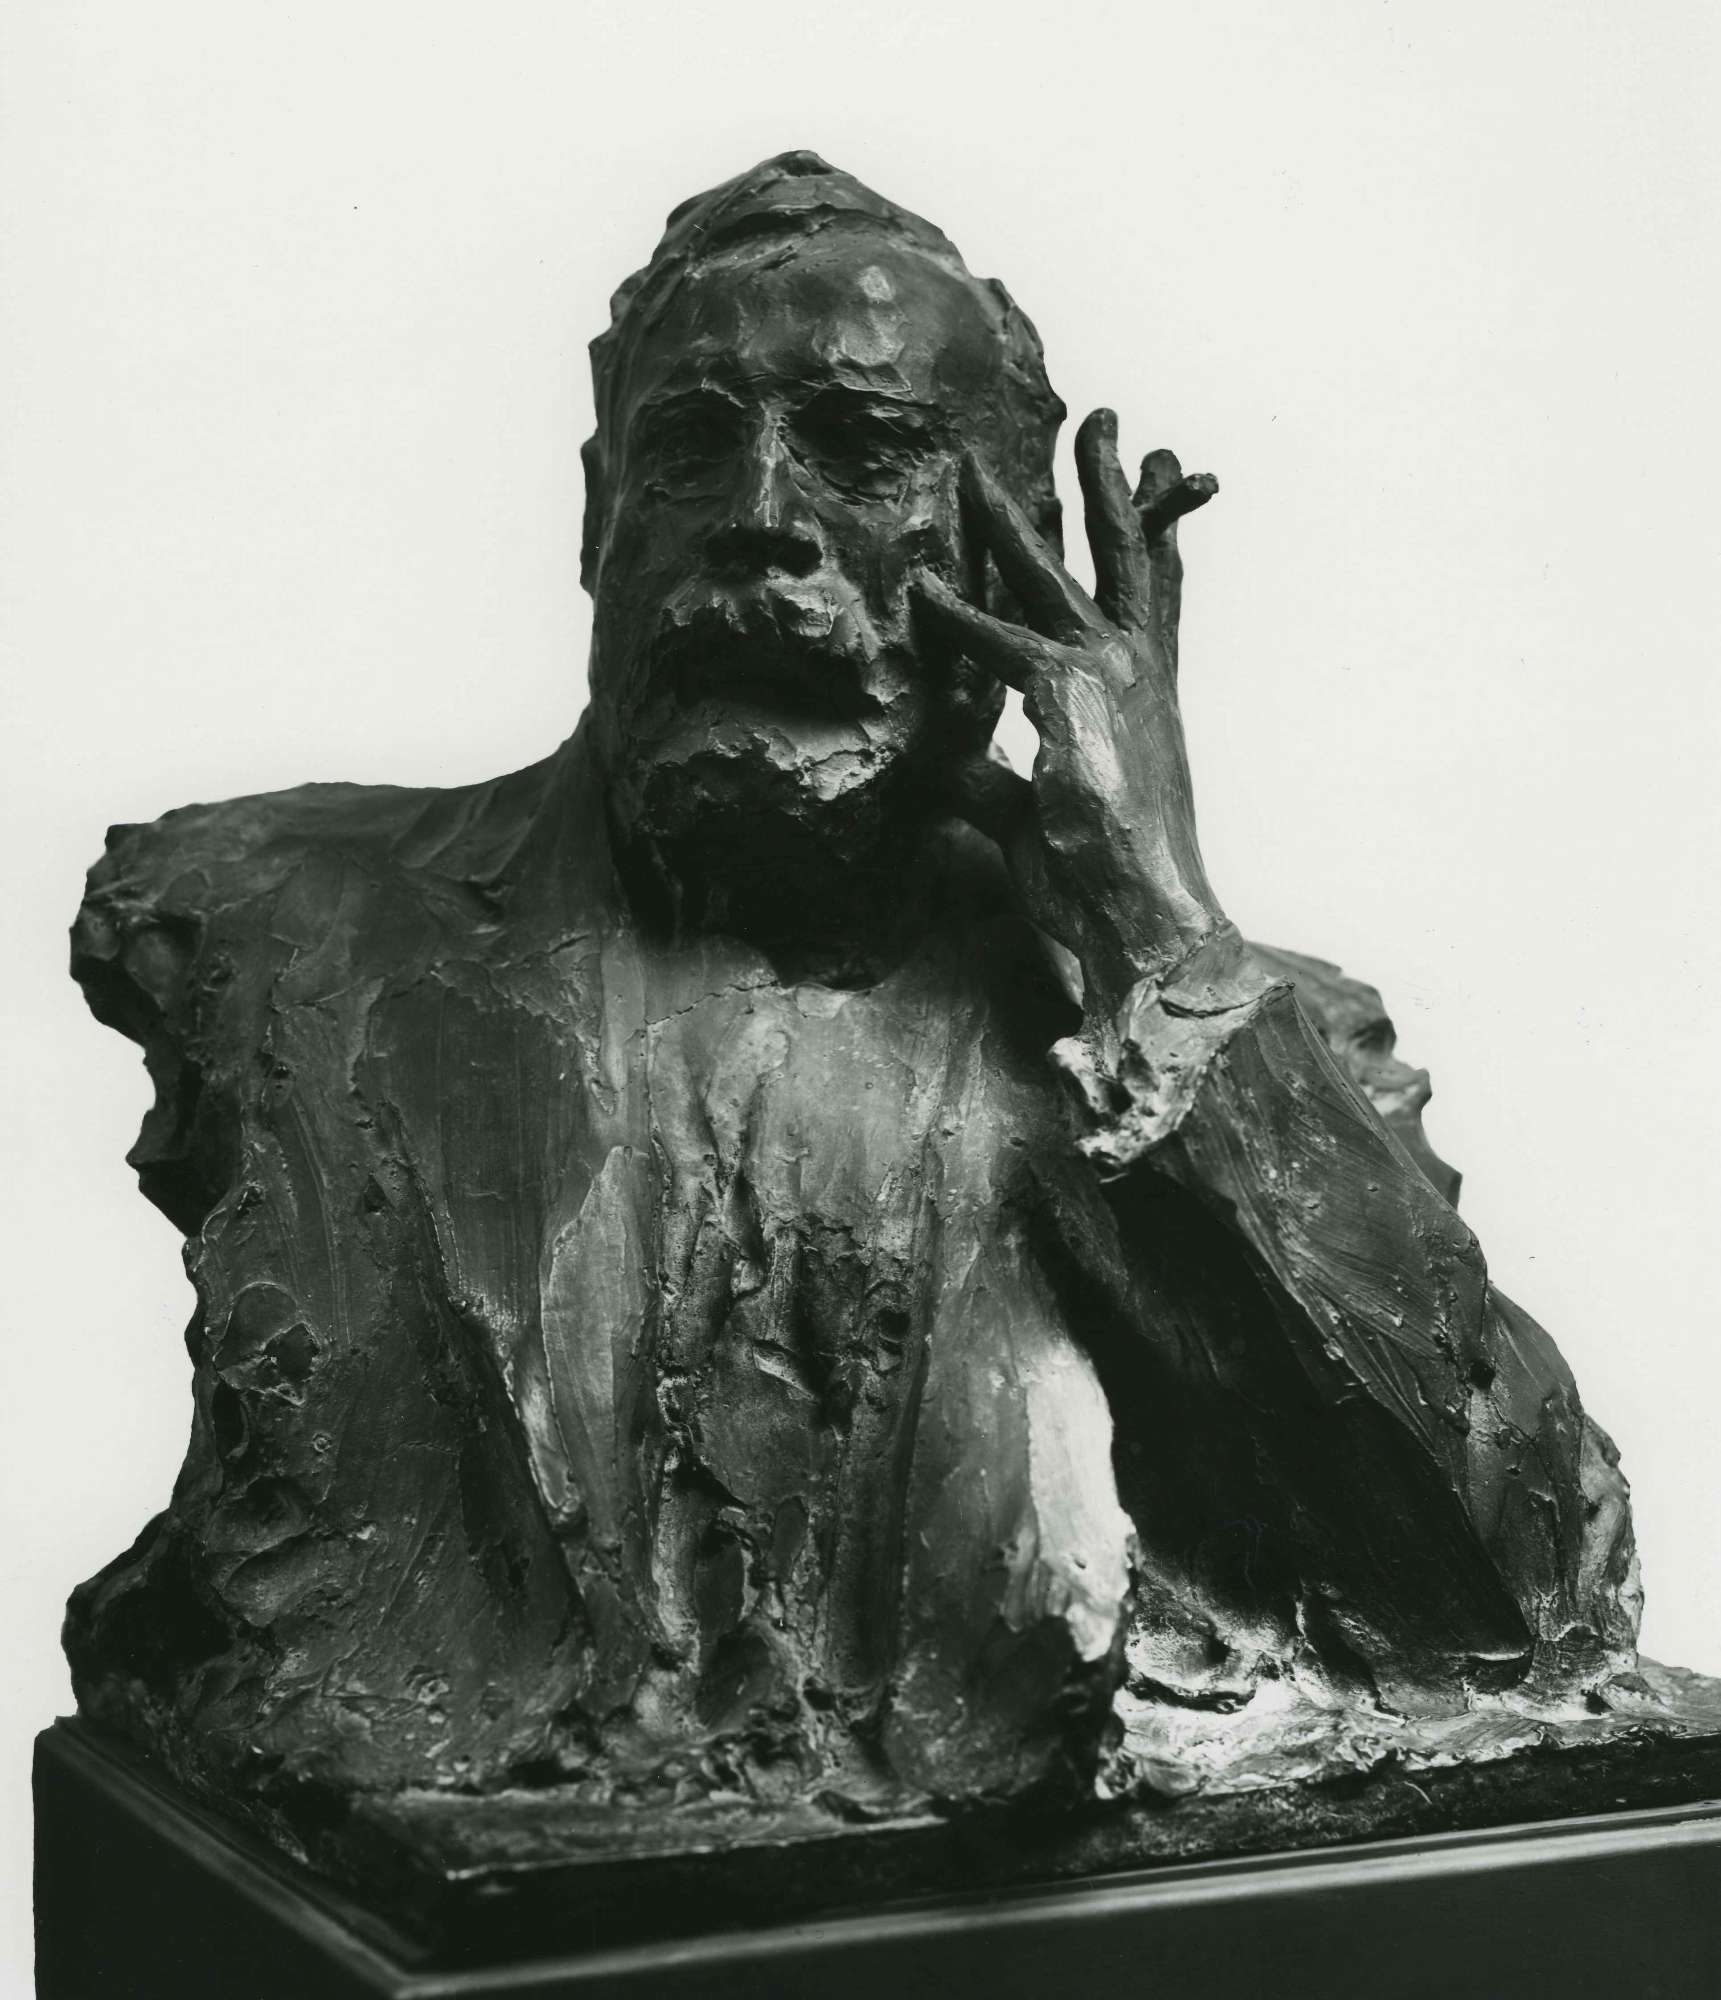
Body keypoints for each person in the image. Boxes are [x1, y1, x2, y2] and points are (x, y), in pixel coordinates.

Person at [67, 152, 1637, 1823]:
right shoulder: (279, 923)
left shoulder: (1241, 1039)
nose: (760, 515)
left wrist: (1156, 925)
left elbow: (1507, 1607)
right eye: (689, 449)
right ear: (599, 516)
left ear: (1016, 563)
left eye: (864, 450)